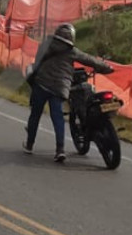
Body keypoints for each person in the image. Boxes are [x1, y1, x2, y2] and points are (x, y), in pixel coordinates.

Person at [23, 23, 114, 162]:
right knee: (58, 118)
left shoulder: (45, 45)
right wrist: (107, 68)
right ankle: (60, 150)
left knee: (35, 115)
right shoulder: (72, 51)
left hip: (41, 84)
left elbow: (37, 61)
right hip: (59, 88)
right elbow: (89, 59)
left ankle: (29, 145)